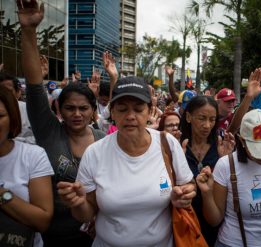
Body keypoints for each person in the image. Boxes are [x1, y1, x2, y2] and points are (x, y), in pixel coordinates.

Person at [57, 76, 196, 246]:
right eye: (122, 109)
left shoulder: (168, 144)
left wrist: (186, 194)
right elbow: (86, 214)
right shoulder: (95, 153)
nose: (130, 116)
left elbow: (188, 184)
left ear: (150, 111)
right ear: (112, 112)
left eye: (138, 109)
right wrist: (78, 203)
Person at [17, 1, 105, 246]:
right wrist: (29, 30)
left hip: (100, 234)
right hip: (54, 236)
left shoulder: (104, 141)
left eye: (83, 108)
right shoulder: (49, 132)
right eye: (69, 108)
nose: (76, 113)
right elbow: (35, 86)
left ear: (93, 111)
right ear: (59, 109)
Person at [196, 109, 261, 247]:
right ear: (242, 141)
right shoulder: (226, 165)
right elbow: (214, 220)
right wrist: (207, 194)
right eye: (259, 148)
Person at [0, 85, 54, 247]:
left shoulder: (32, 156)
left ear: (12, 118)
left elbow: (42, 220)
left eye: (0, 115)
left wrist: (2, 194)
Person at [180, 95, 235, 245]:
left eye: (212, 119)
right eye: (202, 118)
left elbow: (226, 186)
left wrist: (225, 160)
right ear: (189, 117)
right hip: (184, 221)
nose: (207, 125)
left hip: (214, 222)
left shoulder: (220, 147)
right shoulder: (178, 146)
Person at [0, 72, 36, 144]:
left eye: (8, 91)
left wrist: (13, 142)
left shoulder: (30, 110)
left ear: (18, 92)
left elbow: (42, 137)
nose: (3, 95)